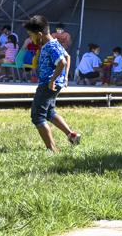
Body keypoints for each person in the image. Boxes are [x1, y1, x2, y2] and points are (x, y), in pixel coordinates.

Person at [24, 14, 81, 151]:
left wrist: (52, 80)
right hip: (53, 84)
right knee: (49, 112)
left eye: (31, 35)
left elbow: (62, 62)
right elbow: (67, 56)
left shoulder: (50, 46)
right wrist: (65, 77)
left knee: (37, 116)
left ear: (39, 34)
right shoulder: (54, 43)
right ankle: (72, 135)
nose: (31, 39)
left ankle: (53, 150)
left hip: (47, 84)